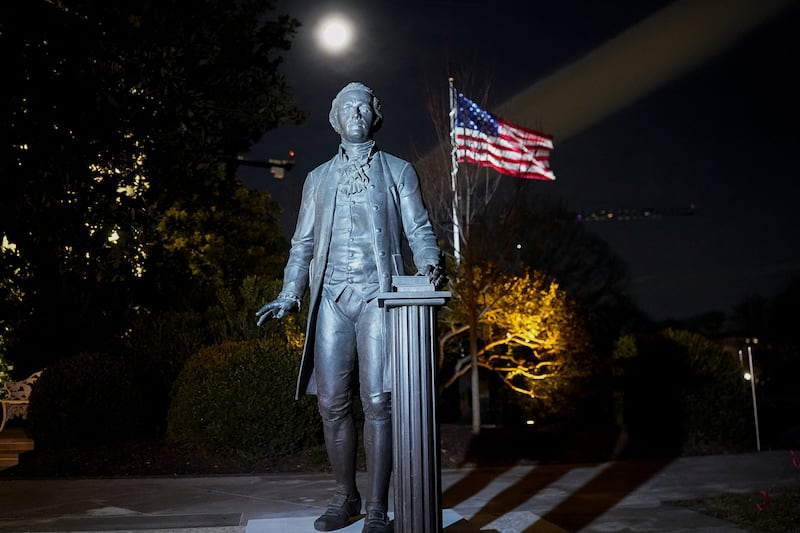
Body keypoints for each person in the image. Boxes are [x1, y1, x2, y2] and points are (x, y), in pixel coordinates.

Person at [256, 82, 444, 533]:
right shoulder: (317, 178)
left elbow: (418, 228)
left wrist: (432, 263)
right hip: (331, 299)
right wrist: (289, 293)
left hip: (379, 295)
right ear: (335, 119)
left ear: (374, 116)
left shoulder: (399, 171)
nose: (356, 113)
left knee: (379, 401)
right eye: (347, 108)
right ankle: (346, 496)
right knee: (332, 404)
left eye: (363, 107)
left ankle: (377, 505)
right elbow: (301, 243)